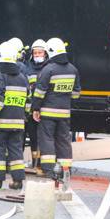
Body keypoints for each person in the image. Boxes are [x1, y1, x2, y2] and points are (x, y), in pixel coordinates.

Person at [31, 38, 81, 179]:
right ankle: (65, 169)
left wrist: (35, 109)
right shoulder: (73, 70)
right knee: (64, 140)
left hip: (47, 113)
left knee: (47, 139)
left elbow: (39, 93)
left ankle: (49, 169)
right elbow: (76, 94)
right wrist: (63, 95)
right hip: (64, 114)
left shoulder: (48, 69)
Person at [0, 41, 29, 189]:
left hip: (2, 123)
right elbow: (27, 101)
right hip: (18, 123)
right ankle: (17, 181)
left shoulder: (0, 76)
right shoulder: (23, 78)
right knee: (16, 151)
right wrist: (25, 116)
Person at [26, 39, 48, 169]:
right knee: (33, 137)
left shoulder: (48, 68)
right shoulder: (28, 67)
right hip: (30, 109)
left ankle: (41, 163)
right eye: (35, 53)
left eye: (40, 52)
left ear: (45, 54)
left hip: (44, 108)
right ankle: (34, 162)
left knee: (43, 137)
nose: (38, 55)